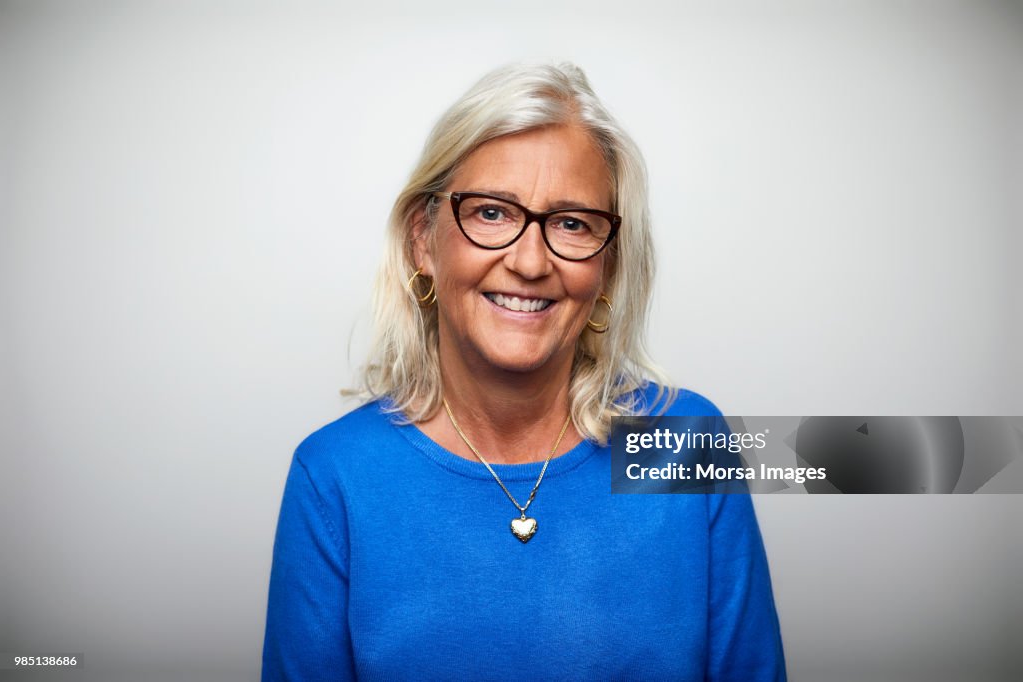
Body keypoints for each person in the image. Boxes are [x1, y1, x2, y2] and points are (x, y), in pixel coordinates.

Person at [261, 61, 786, 681]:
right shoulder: (334, 477)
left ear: (609, 268)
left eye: (571, 223)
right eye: (491, 213)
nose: (531, 261)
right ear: (423, 241)